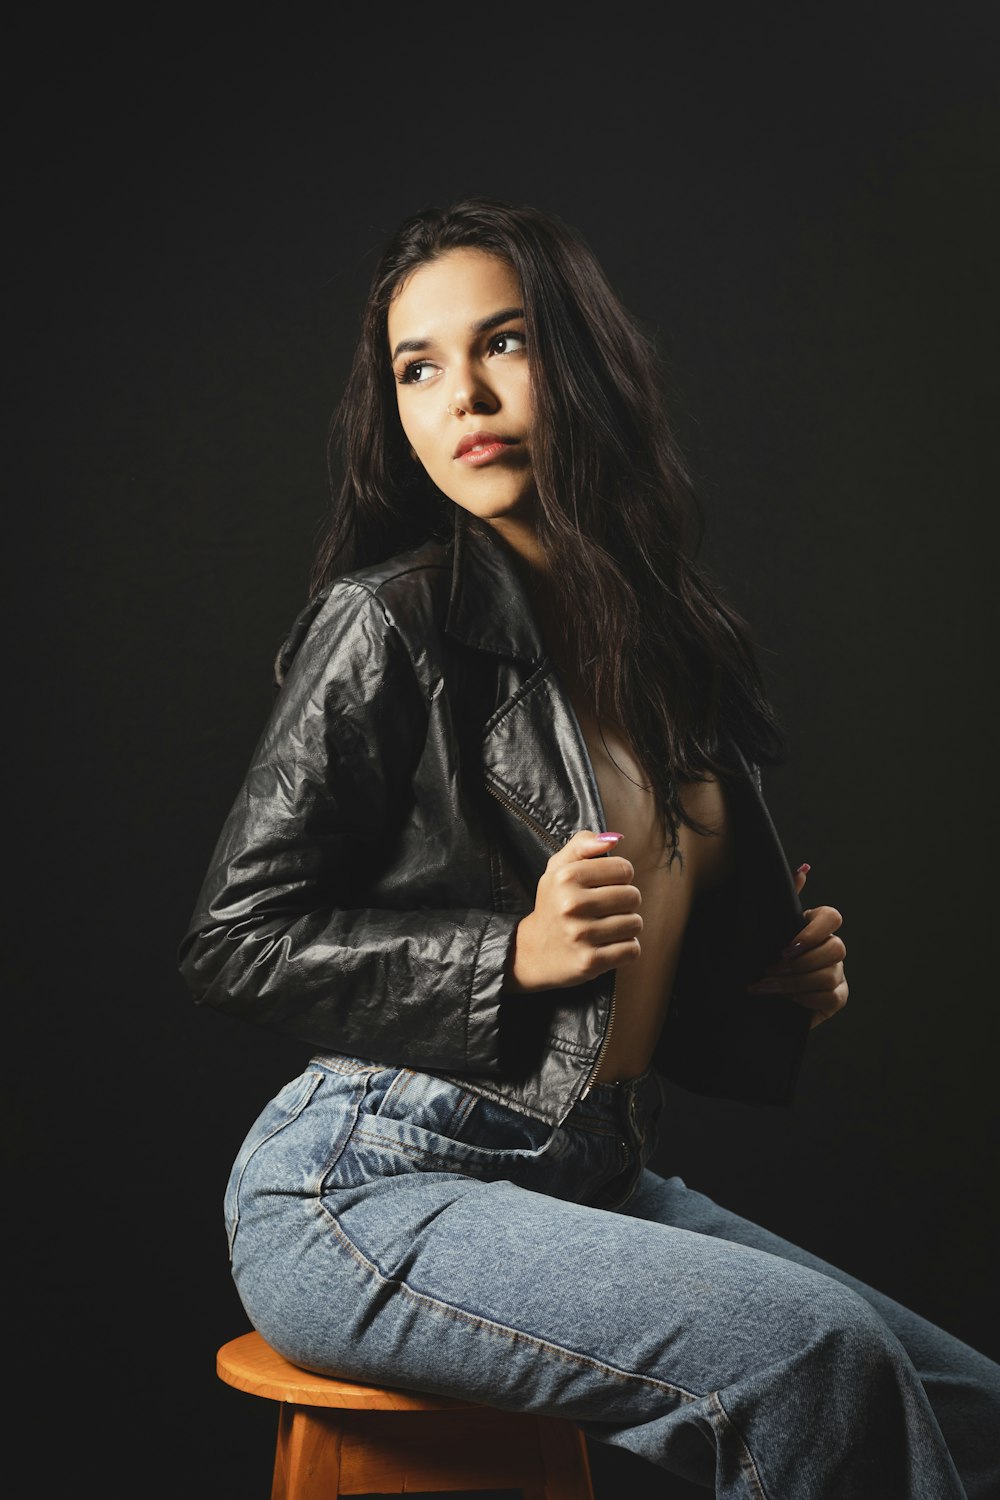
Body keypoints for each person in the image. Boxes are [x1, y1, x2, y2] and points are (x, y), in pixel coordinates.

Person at [178, 197, 999, 1498]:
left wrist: (771, 987)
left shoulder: (667, 650)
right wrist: (509, 954)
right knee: (815, 1357)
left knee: (973, 1409)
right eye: (419, 367)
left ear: (583, 359)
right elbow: (235, 940)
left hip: (589, 1171)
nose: (465, 395)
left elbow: (635, 996)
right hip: (369, 1180)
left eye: (504, 344)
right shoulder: (386, 625)